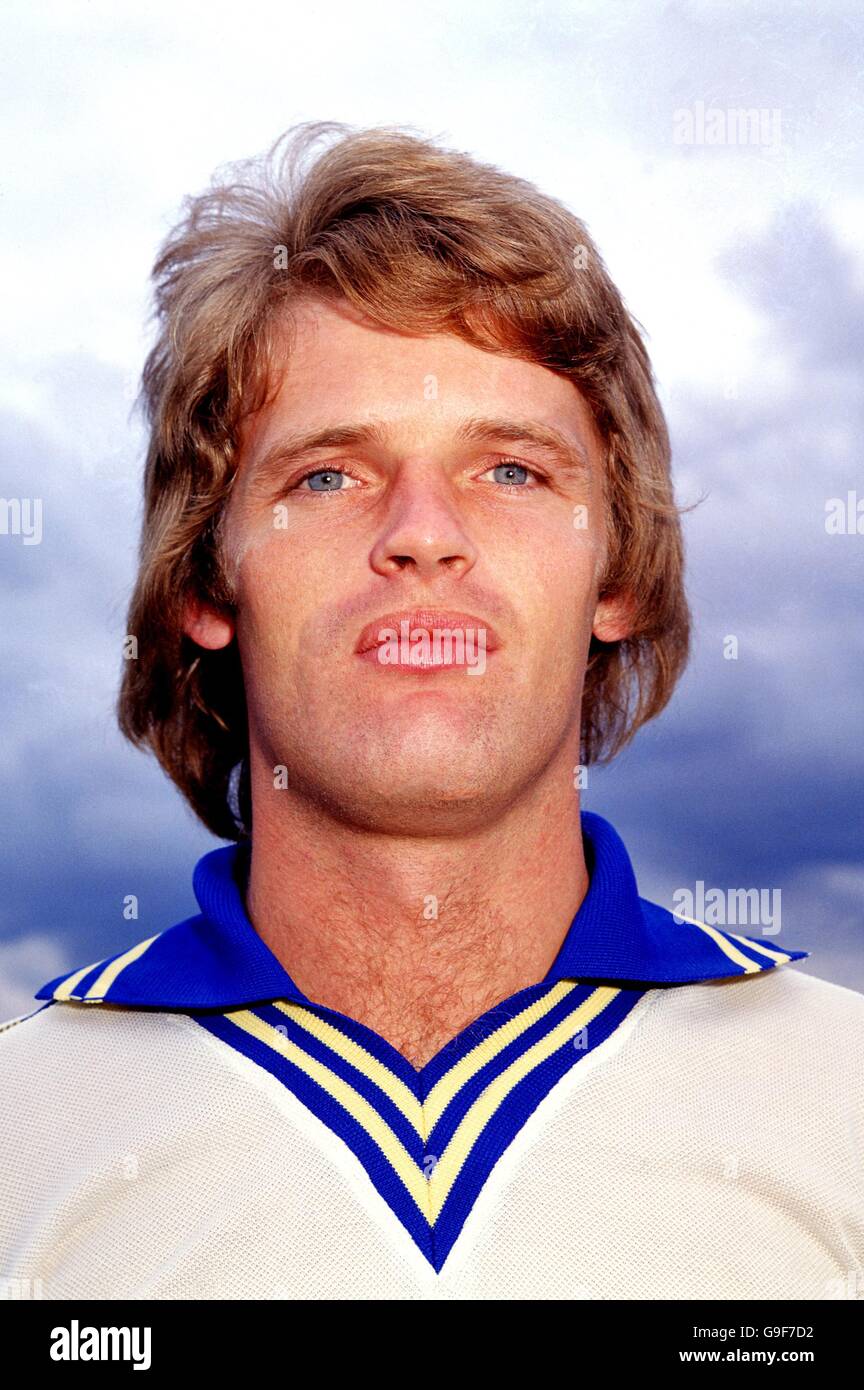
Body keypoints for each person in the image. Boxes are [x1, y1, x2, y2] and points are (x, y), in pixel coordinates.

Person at [1, 122, 861, 1301]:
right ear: (206, 578)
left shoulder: (841, 1101)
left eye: (510, 470)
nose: (422, 532)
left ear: (614, 572)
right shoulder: (23, 1136)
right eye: (327, 475)